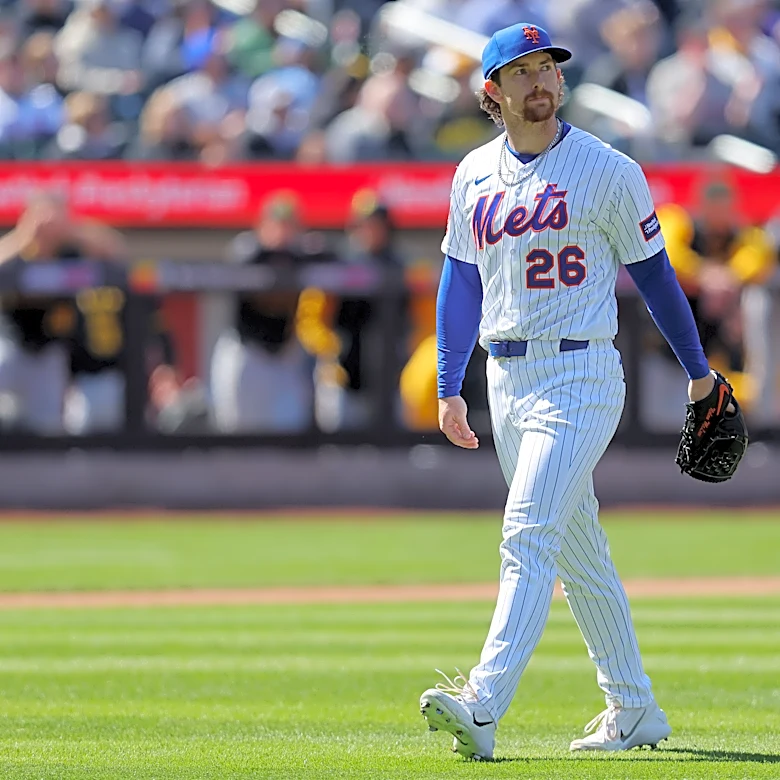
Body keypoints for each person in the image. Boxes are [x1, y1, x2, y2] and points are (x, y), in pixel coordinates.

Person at [419, 22, 738, 760]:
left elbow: (656, 276)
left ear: (561, 80)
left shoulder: (608, 169)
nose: (539, 80)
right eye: (521, 70)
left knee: (527, 532)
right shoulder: (472, 173)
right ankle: (633, 706)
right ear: (493, 90)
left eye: (547, 68)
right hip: (506, 377)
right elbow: (459, 279)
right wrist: (448, 383)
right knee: (577, 551)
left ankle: (483, 702)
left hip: (580, 373)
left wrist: (699, 373)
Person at [0, 191, 125, 433]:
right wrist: (26, 233)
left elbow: (116, 251)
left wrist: (70, 228)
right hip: (10, 345)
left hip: (49, 350)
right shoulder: (22, 249)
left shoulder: (70, 252)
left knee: (47, 429)